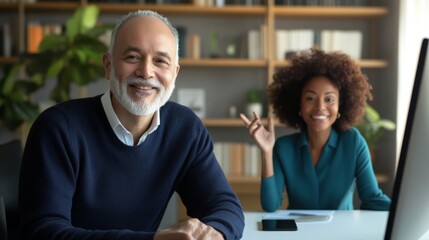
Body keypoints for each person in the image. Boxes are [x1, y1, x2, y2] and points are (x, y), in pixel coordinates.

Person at [19, 10, 244, 240]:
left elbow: (224, 206)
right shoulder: (57, 129)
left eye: (160, 61)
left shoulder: (185, 129)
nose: (146, 71)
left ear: (174, 74)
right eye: (132, 57)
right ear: (108, 66)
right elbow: (43, 232)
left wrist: (215, 234)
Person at [240, 48, 391, 212]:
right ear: (299, 106)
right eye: (310, 98)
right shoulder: (283, 148)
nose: (320, 107)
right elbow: (271, 205)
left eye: (329, 99)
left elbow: (372, 199)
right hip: (299, 234)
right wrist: (267, 152)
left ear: (341, 105)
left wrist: (408, 211)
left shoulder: (353, 142)